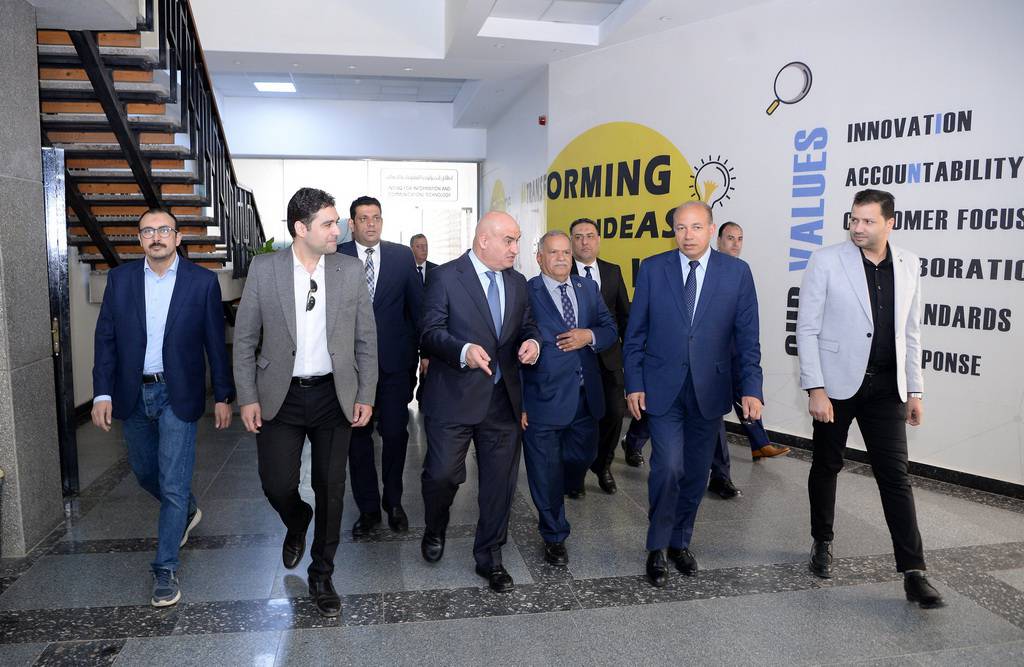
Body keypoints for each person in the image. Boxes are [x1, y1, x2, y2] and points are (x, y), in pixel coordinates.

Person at [233, 187, 378, 617]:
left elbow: (366, 339)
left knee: (331, 489)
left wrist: (366, 394)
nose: (339, 231)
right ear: (301, 228)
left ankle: (322, 574)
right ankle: (297, 520)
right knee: (276, 484)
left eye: (337, 223)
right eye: (328, 224)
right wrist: (247, 397)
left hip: (335, 395)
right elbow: (245, 339)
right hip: (281, 395)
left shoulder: (349, 271)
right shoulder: (265, 269)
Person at [797, 188, 943, 608]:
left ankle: (914, 571)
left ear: (889, 223)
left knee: (895, 477)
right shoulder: (826, 260)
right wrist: (816, 388)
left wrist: (915, 390)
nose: (857, 228)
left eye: (867, 221)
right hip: (836, 387)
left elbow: (911, 332)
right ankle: (822, 541)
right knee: (827, 464)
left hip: (886, 389)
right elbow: (807, 328)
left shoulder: (909, 264)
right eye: (854, 219)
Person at [91, 208, 233, 608]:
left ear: (178, 237)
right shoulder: (120, 281)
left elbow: (214, 343)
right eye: (148, 231)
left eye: (164, 230)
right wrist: (101, 393)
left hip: (178, 393)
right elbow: (105, 340)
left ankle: (165, 568)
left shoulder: (202, 282)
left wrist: (223, 396)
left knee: (172, 482)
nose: (156, 236)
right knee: (144, 472)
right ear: (139, 239)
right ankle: (187, 509)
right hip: (132, 393)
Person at [623, 201, 764, 588]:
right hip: (661, 387)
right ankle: (656, 545)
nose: (688, 235)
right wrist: (634, 382)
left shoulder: (736, 273)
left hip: (710, 389)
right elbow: (635, 334)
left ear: (711, 229)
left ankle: (679, 541)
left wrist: (752, 388)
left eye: (696, 227)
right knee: (667, 467)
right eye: (681, 228)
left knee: (696, 473)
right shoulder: (653, 269)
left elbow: (747, 339)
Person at [418, 211, 540, 592]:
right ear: (483, 240)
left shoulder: (518, 283)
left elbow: (528, 326)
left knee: (499, 484)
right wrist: (463, 350)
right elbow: (429, 333)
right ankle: (435, 525)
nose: (516, 249)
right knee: (442, 475)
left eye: (517, 241)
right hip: (453, 397)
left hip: (502, 400)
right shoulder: (445, 277)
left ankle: (490, 555)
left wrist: (532, 342)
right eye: (509, 241)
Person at [521, 231, 618, 565]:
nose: (562, 258)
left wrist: (588, 335)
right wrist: (519, 403)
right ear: (539, 258)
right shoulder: (526, 292)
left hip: (584, 396)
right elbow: (512, 343)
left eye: (566, 252)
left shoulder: (587, 288)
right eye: (553, 252)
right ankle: (554, 534)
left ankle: (562, 485)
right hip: (542, 398)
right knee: (545, 471)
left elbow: (609, 328)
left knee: (583, 456)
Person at [340, 196, 423, 537]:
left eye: (376, 217)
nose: (371, 223)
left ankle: (394, 502)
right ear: (352, 224)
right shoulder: (336, 257)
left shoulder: (401, 256)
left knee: (395, 433)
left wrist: (423, 354)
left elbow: (417, 309)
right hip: (351, 368)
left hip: (394, 365)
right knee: (357, 439)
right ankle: (368, 509)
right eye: (363, 218)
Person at [706, 222, 791, 500]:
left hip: (734, 355)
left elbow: (747, 322)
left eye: (740, 239)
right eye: (730, 238)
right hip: (703, 359)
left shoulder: (741, 272)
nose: (735, 243)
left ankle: (746, 454)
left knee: (744, 398)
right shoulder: (702, 268)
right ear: (718, 239)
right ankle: (633, 441)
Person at [569, 217, 631, 495]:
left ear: (598, 240)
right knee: (578, 418)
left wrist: (629, 359)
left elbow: (625, 317)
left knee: (615, 414)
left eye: (590, 236)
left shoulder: (612, 271)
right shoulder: (562, 269)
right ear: (572, 242)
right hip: (575, 359)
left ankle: (602, 465)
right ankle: (576, 471)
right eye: (578, 236)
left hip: (609, 359)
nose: (585, 242)